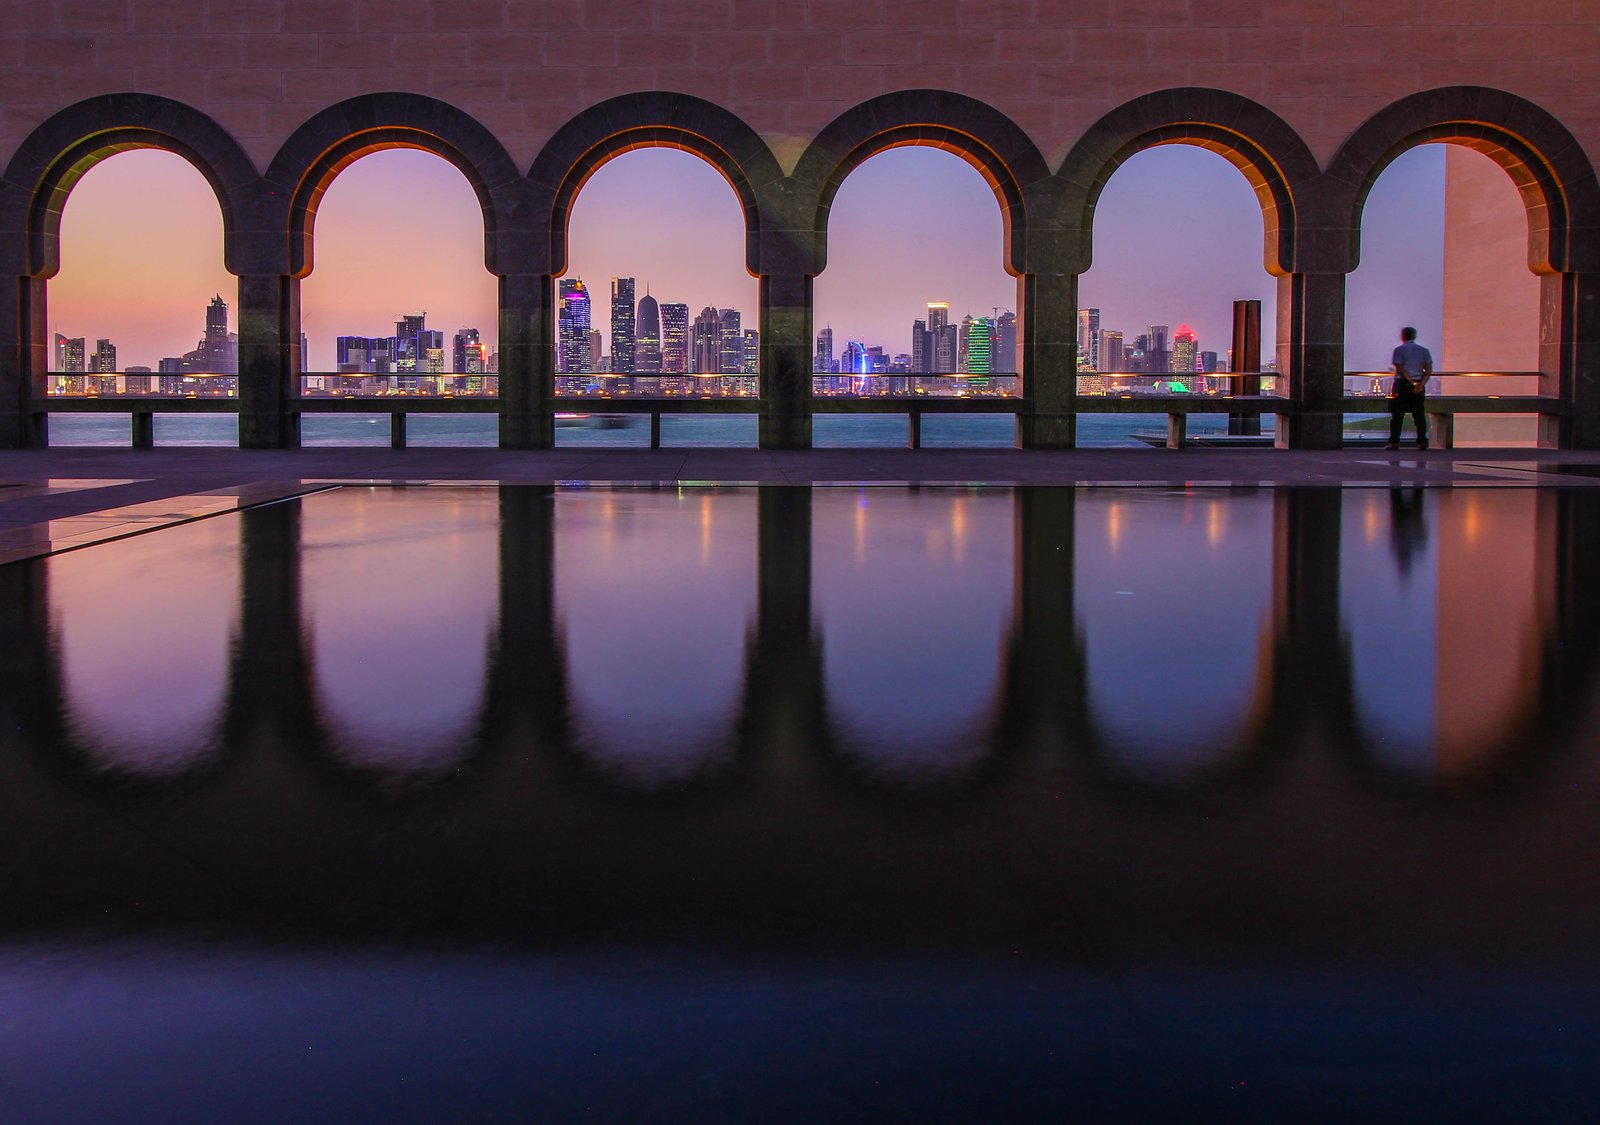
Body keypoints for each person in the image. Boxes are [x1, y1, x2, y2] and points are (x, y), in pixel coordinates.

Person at [1386, 326, 1433, 451]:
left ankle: (1394, 442)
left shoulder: (1399, 350)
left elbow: (1399, 367)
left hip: (1402, 385)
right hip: (1419, 385)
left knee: (1397, 414)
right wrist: (1421, 384)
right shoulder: (1424, 350)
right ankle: (1422, 442)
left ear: (1402, 336)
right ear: (1414, 336)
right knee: (1419, 415)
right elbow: (1428, 370)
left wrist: (1410, 381)